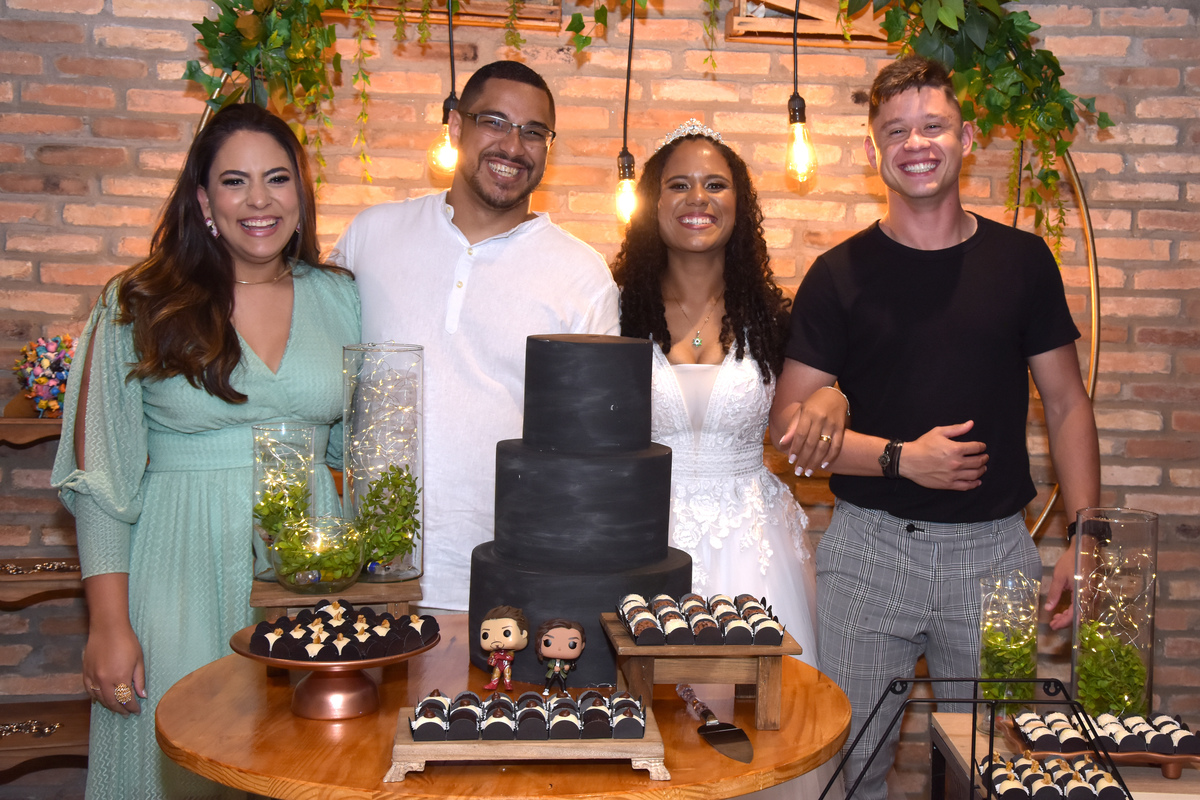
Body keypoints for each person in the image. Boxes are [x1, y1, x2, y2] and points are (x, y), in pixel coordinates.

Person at [769, 55, 1100, 799]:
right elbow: (788, 427)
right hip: (866, 552)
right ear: (871, 148)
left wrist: (1086, 538)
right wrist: (900, 460)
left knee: (988, 770)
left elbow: (1069, 403)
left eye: (933, 125)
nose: (916, 142)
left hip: (997, 557)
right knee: (850, 767)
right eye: (897, 130)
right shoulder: (838, 273)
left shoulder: (1021, 262)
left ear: (966, 136)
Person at [51, 103, 360, 800]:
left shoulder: (342, 299)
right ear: (203, 199)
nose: (259, 200)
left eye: (278, 179)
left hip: (308, 583)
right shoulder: (139, 302)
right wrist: (108, 626)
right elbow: (103, 476)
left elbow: (360, 447)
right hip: (178, 570)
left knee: (302, 769)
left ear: (301, 195)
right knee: (181, 769)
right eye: (234, 182)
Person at [612, 121, 848, 800]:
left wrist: (837, 396)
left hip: (754, 543)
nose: (698, 197)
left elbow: (799, 411)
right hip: (641, 542)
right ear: (653, 204)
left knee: (761, 736)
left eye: (716, 184)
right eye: (679, 184)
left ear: (739, 205)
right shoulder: (613, 310)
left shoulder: (773, 317)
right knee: (651, 740)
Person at [334, 60, 619, 612]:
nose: (513, 144)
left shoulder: (582, 276)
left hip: (507, 586)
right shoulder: (371, 237)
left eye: (534, 132)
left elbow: (589, 453)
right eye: (494, 121)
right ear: (455, 124)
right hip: (368, 576)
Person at [535, 618, 586, 696]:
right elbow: (549, 665)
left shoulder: (563, 662)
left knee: (562, 681)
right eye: (548, 642)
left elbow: (567, 666)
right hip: (553, 672)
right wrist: (554, 667)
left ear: (582, 646)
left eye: (572, 644)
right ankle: (546, 689)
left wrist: (566, 668)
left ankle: (564, 690)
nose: (559, 648)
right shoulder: (552, 661)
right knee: (550, 681)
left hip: (560, 673)